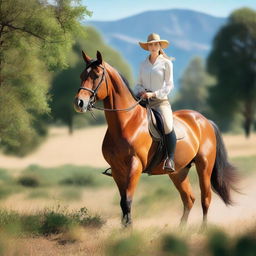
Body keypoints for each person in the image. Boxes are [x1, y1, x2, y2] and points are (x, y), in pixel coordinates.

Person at [134, 33, 176, 172]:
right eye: (151, 44)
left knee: (168, 126)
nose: (153, 46)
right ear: (147, 47)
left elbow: (169, 86)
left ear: (159, 46)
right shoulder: (142, 64)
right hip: (144, 102)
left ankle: (170, 159)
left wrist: (154, 94)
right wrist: (140, 91)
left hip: (160, 102)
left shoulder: (166, 63)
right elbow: (138, 84)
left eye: (156, 44)